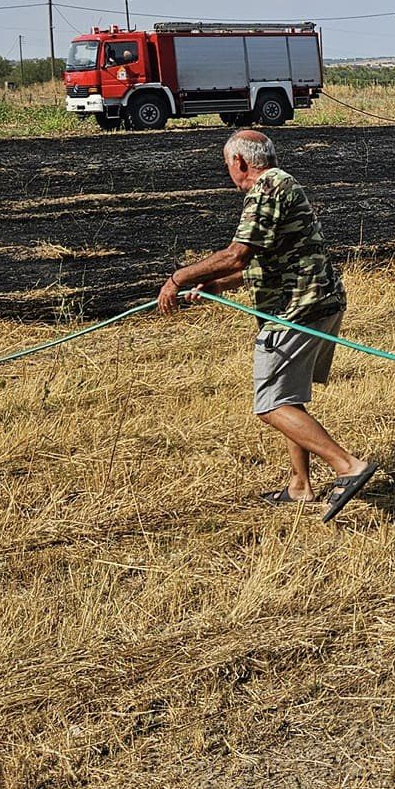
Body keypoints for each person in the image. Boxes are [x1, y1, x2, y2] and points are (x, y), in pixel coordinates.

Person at [156, 130, 378, 519]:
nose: (229, 173)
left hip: (297, 310)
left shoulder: (267, 189)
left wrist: (179, 277)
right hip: (317, 301)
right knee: (290, 397)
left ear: (240, 162)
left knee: (271, 404)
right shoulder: (284, 184)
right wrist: (215, 285)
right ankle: (300, 485)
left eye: (227, 165)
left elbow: (237, 255)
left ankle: (348, 466)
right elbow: (260, 262)